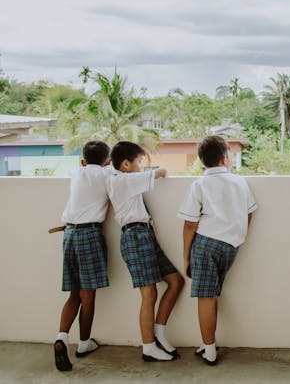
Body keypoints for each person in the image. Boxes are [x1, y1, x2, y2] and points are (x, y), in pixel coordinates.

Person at [178, 135, 258, 365]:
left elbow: (190, 223)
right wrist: (238, 233)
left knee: (206, 297)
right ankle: (208, 343)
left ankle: (209, 349)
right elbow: (250, 211)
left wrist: (186, 256)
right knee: (213, 294)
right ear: (225, 158)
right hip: (230, 246)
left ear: (203, 161)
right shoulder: (239, 182)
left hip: (205, 243)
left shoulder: (199, 184)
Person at [107, 141, 184, 362]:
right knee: (149, 293)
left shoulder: (119, 178)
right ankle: (148, 347)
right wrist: (149, 171)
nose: (141, 166)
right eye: (139, 162)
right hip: (135, 237)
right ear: (125, 164)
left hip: (144, 235)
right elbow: (162, 172)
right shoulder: (125, 179)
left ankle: (158, 333)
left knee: (175, 281)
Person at [54, 141, 112, 371]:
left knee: (74, 294)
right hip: (89, 234)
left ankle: (61, 338)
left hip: (69, 233)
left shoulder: (76, 172)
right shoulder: (107, 176)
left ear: (82, 161)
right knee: (88, 295)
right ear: (106, 162)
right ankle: (84, 343)